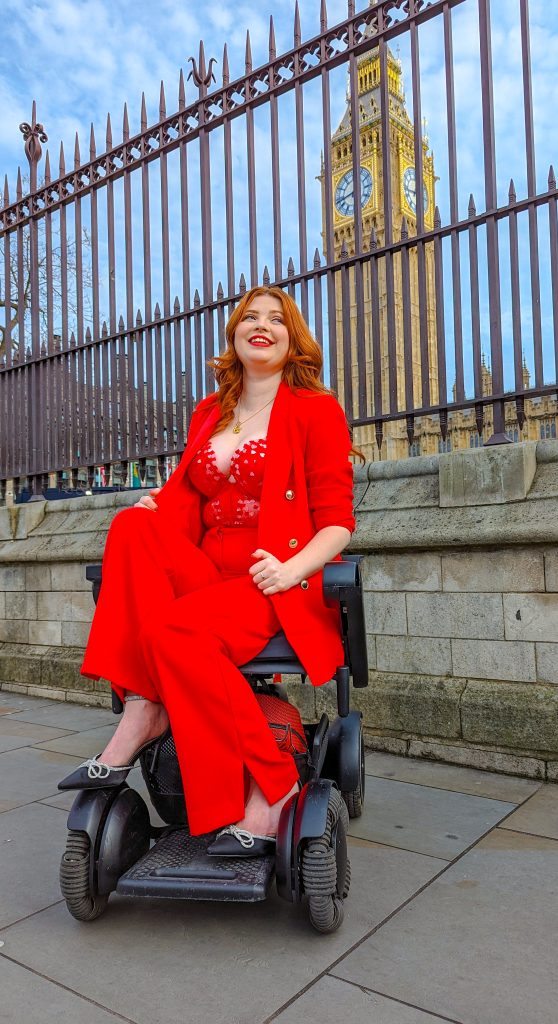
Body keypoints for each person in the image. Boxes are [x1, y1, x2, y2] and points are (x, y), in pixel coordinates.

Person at [58, 286, 356, 857]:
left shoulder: (315, 410)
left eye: (277, 318)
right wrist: (157, 507)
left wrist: (292, 569)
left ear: (292, 339)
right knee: (130, 526)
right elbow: (186, 500)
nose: (261, 325)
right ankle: (146, 707)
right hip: (205, 575)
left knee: (170, 633)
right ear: (235, 334)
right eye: (250, 316)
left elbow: (338, 522)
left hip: (269, 580)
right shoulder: (210, 411)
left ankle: (275, 783)